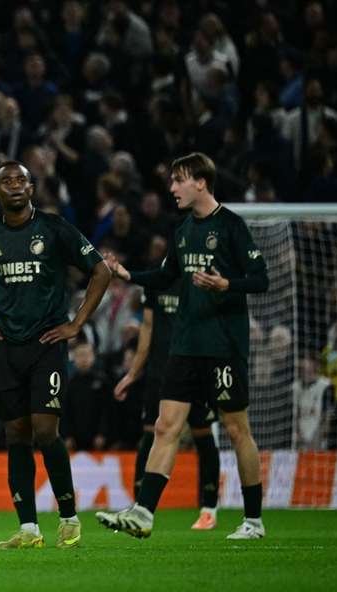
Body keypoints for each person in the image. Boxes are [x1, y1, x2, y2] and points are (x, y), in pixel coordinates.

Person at [96, 152, 268, 540]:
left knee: (237, 428)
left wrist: (226, 284)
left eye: (179, 180)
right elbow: (165, 275)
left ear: (201, 182)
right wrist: (127, 274)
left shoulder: (231, 226)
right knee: (165, 425)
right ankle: (143, 512)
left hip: (222, 345)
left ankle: (253, 520)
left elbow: (261, 280)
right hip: (185, 344)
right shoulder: (183, 229)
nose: (172, 188)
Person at [0, 160, 111, 549]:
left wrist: (76, 324)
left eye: (21, 180)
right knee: (16, 435)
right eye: (5, 180)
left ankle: (69, 518)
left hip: (47, 346)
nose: (14, 185)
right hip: (8, 348)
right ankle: (28, 529)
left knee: (45, 431)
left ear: (32, 188)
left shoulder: (54, 229)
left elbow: (101, 270)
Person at [113, 278, 222, 530]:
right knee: (152, 433)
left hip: (197, 370)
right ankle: (140, 506)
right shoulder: (157, 280)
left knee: (202, 434)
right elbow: (147, 328)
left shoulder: (200, 280)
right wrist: (133, 373)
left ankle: (208, 508)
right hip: (160, 373)